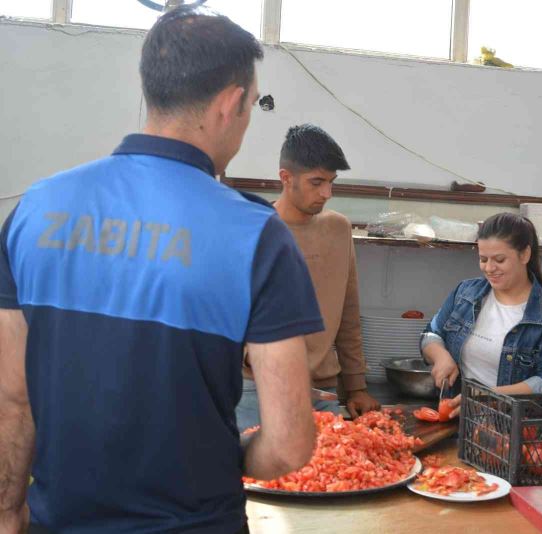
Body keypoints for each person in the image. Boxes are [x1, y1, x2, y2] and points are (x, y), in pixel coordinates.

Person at [0, 7, 323, 533]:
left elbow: (11, 401)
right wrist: (227, 457)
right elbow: (289, 445)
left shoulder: (35, 209)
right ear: (232, 103)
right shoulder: (256, 236)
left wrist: (9, 514)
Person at [236, 124, 380, 430]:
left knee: (330, 474)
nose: (326, 193)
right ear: (286, 178)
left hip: (322, 390)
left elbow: (348, 314)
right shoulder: (251, 230)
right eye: (316, 182)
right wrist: (252, 357)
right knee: (255, 476)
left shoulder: (339, 228)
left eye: (331, 182)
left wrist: (356, 386)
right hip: (257, 390)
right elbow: (226, 312)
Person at [420, 212, 542, 417]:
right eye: (483, 259)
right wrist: (440, 357)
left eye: (500, 260)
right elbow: (431, 334)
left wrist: (489, 398)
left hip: (514, 431)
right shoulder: (465, 293)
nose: (489, 268)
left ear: (525, 255)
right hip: (457, 424)